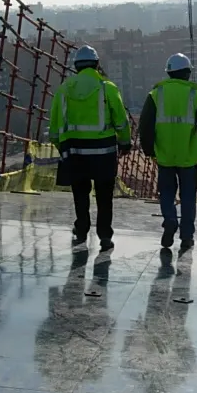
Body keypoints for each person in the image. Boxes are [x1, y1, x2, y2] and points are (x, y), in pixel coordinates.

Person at [48, 45, 132, 251]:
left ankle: (82, 228)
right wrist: (125, 141)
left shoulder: (64, 89)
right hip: (103, 152)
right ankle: (104, 235)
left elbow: (54, 127)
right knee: (104, 196)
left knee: (80, 193)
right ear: (96, 64)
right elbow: (121, 119)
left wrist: (62, 146)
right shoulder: (107, 87)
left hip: (75, 151)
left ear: (76, 66)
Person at [138, 53, 197, 251]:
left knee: (166, 193)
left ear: (169, 73)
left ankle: (170, 220)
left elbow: (145, 125)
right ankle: (187, 236)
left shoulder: (156, 95)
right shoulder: (195, 96)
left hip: (164, 155)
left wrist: (149, 149)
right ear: (188, 73)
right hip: (188, 157)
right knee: (188, 196)